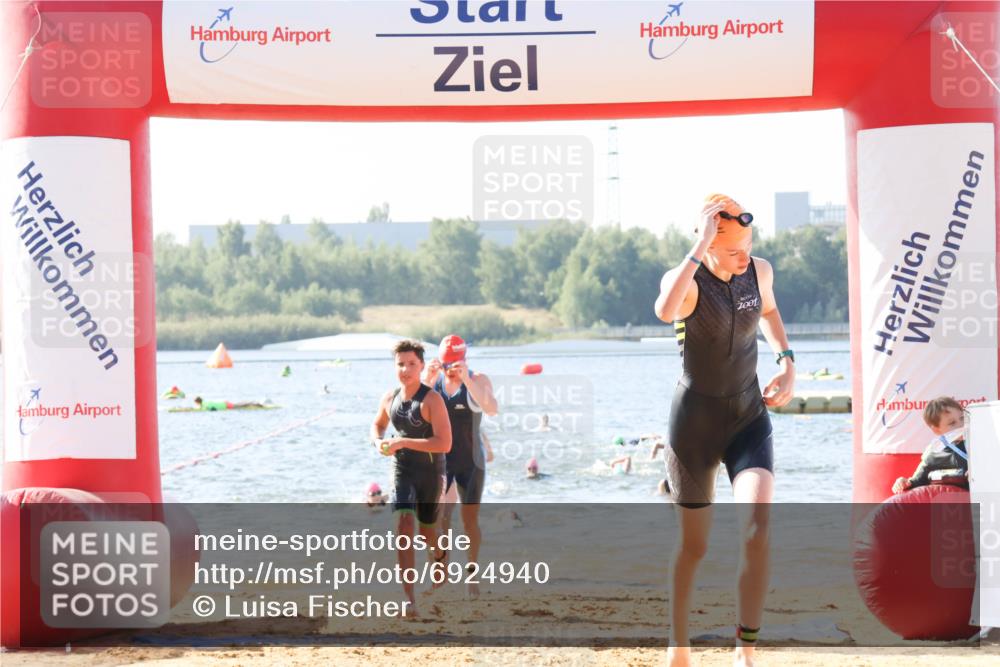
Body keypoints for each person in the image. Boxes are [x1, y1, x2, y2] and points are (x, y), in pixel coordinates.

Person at [653, 194, 795, 667]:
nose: (744, 257)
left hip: (747, 420)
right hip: (692, 428)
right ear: (708, 245)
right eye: (733, 249)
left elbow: (770, 313)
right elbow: (663, 309)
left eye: (748, 246)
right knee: (694, 545)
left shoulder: (760, 271)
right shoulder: (687, 282)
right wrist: (698, 248)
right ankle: (678, 644)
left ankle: (746, 651)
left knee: (758, 529)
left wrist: (787, 361)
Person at [370, 339, 452, 615]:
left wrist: (403, 442)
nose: (405, 369)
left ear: (421, 366)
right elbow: (378, 424)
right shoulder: (389, 398)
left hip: (430, 473)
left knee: (428, 532)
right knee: (403, 528)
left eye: (411, 364)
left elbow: (444, 444)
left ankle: (440, 556)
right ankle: (409, 599)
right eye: (400, 364)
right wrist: (377, 441)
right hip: (402, 471)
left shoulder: (432, 399)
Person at [423, 334, 498, 600]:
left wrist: (466, 378)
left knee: (469, 522)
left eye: (454, 365)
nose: (449, 371)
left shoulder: (478, 379)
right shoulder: (434, 382)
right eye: (445, 365)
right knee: (440, 520)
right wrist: (428, 381)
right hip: (443, 460)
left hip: (471, 461)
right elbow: (413, 414)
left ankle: (472, 575)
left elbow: (491, 409)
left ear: (464, 361)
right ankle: (439, 574)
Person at [892, 397, 968, 494]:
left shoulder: (979, 444)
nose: (961, 425)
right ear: (937, 430)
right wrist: (903, 483)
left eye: (962, 418)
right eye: (952, 423)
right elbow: (916, 482)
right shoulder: (934, 454)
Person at [192, 396, 267, 411]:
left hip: (226, 405)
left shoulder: (205, 404)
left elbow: (212, 409)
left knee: (242, 405)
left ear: (197, 402)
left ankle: (257, 403)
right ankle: (255, 403)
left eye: (195, 402)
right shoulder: (205, 402)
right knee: (240, 404)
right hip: (224, 403)